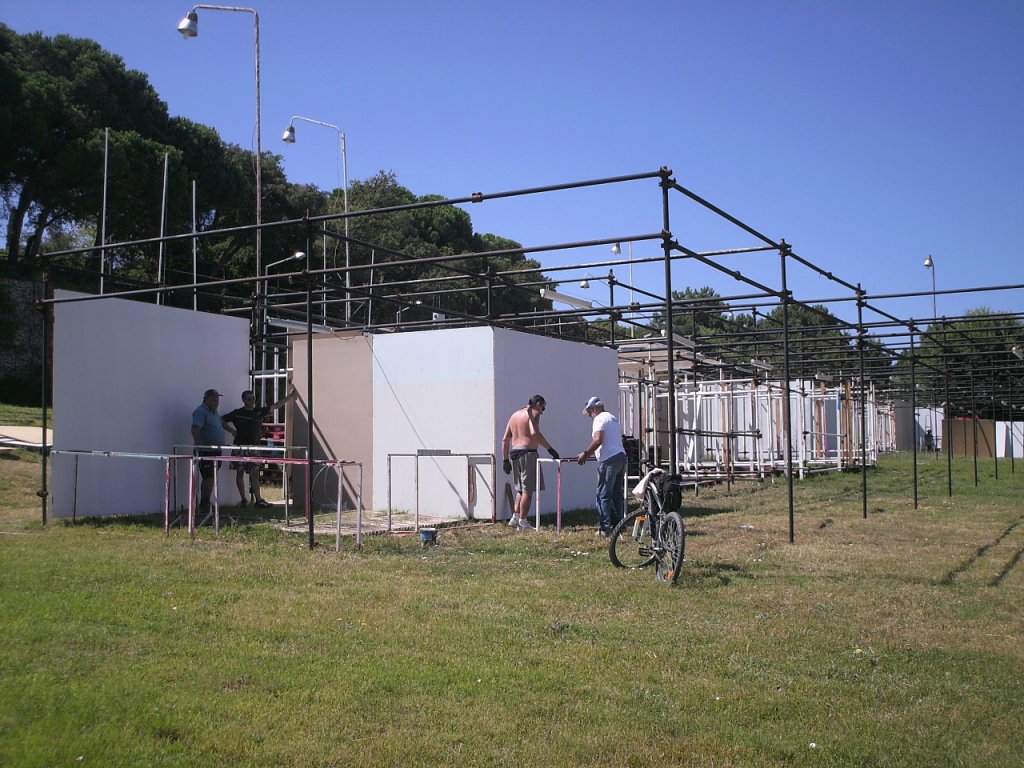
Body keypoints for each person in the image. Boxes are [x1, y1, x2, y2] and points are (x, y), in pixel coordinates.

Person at [221, 386, 297, 507]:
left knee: (255, 473)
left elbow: (276, 406)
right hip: (240, 446)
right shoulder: (237, 413)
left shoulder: (258, 412)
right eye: (249, 399)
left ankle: (259, 499)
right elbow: (222, 419)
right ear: (243, 400)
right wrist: (231, 430)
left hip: (254, 447)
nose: (252, 401)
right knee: (240, 474)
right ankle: (244, 499)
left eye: (253, 398)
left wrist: (290, 396)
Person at [501, 394, 559, 531]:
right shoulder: (532, 413)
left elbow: (505, 439)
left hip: (514, 454)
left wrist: (505, 459)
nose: (542, 412)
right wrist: (550, 449)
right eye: (543, 408)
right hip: (528, 454)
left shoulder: (514, 415)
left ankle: (515, 517)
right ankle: (523, 522)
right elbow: (534, 433)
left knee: (520, 489)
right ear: (538, 404)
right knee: (528, 490)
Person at [576, 396, 627, 537]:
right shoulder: (613, 418)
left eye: (590, 411)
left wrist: (585, 453)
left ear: (595, 408)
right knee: (617, 494)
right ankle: (620, 525)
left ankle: (605, 527)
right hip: (621, 457)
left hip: (608, 460)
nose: (590, 415)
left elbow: (598, 440)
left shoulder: (599, 419)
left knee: (603, 494)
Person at [191, 388, 226, 516]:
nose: (216, 403)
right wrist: (197, 442)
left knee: (212, 476)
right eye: (213, 400)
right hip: (206, 451)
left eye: (217, 400)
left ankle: (206, 501)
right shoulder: (201, 411)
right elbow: (195, 427)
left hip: (216, 450)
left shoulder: (214, 412)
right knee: (208, 476)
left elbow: (220, 424)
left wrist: (231, 431)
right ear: (205, 400)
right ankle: (204, 502)